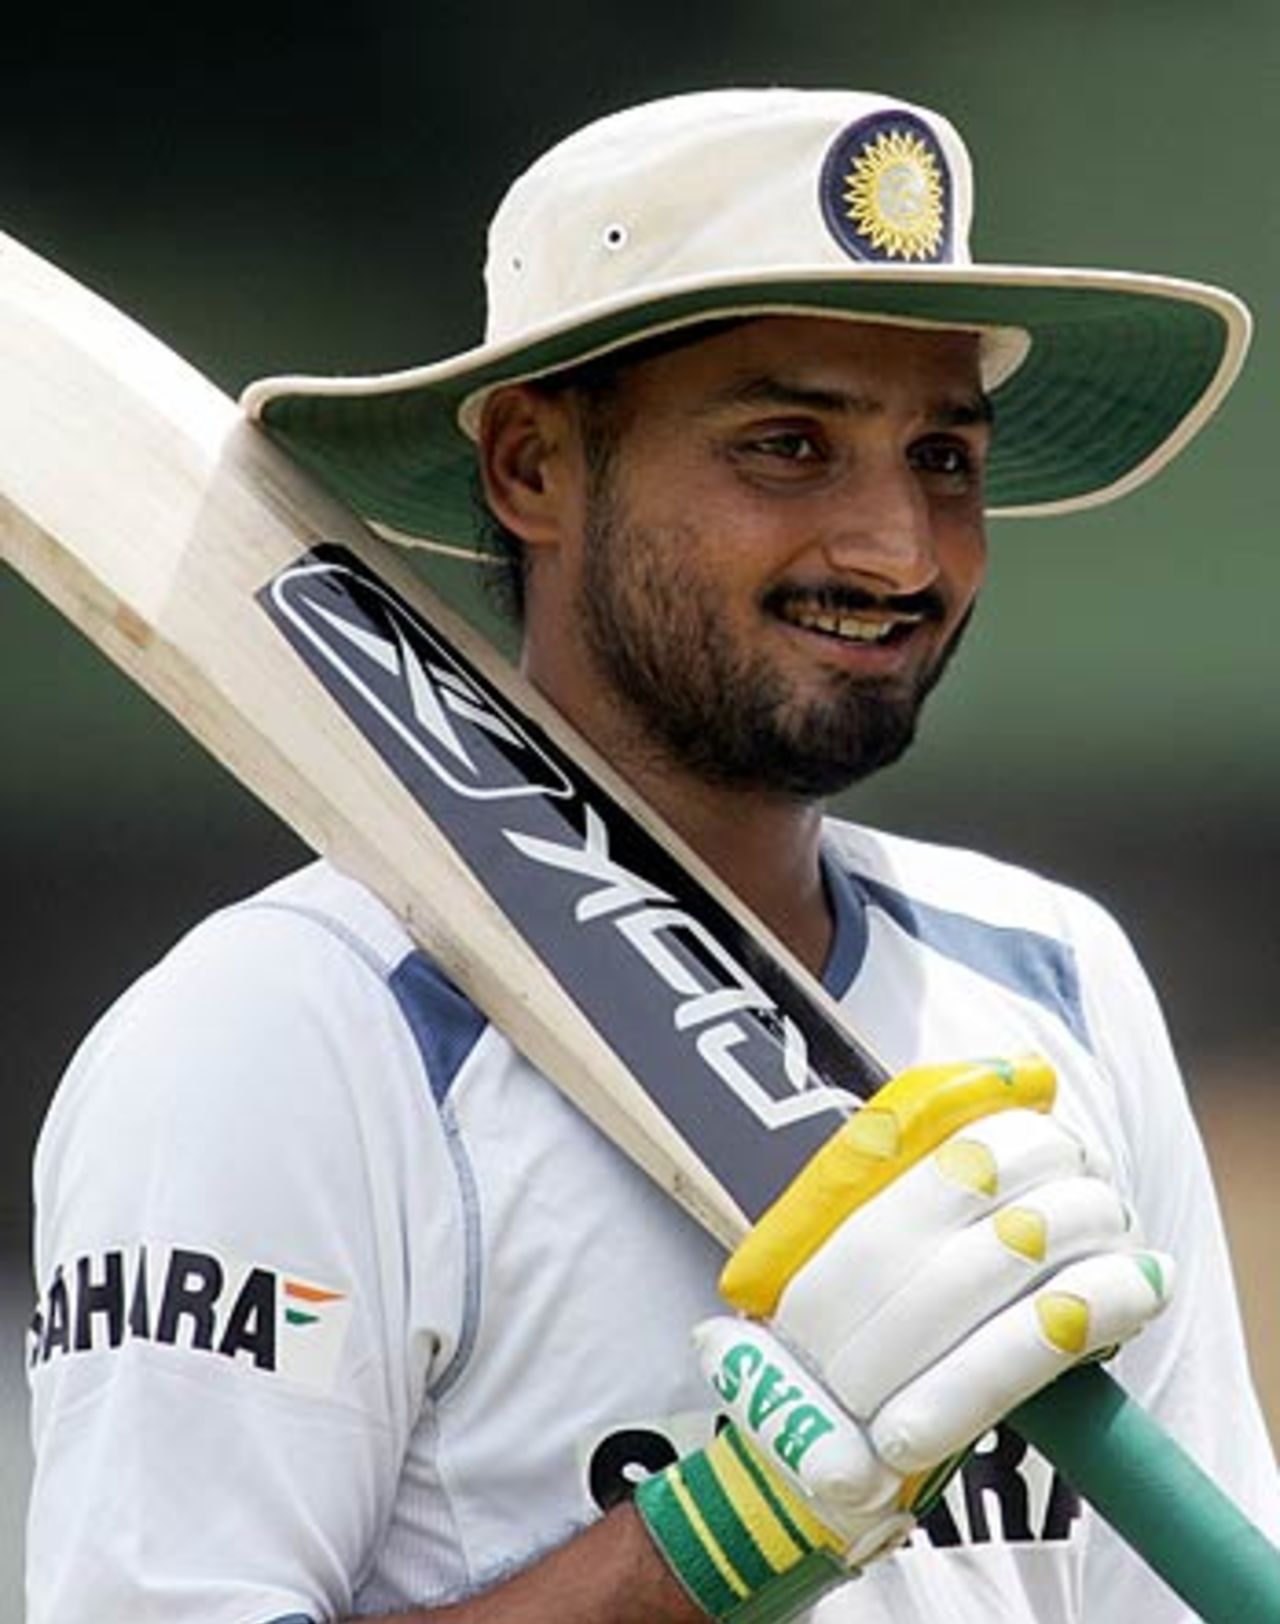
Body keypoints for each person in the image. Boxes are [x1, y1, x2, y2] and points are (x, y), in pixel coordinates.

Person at [26, 87, 1278, 1624]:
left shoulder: (1054, 979)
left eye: (946, 457)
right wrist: (724, 1534)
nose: (897, 549)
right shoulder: (286, 1033)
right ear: (533, 468)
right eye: (788, 445)